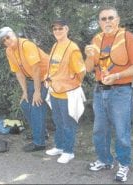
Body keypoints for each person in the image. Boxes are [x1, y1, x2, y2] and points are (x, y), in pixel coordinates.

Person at [84, 6, 133, 182]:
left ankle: (123, 164)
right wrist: (88, 56)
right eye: (103, 19)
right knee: (99, 130)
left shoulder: (127, 37)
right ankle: (104, 160)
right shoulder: (96, 39)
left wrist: (117, 75)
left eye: (111, 18)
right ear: (99, 22)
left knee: (121, 131)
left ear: (117, 20)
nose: (107, 21)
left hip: (121, 92)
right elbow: (88, 68)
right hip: (99, 91)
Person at [0, 26, 49, 152]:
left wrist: (37, 92)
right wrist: (25, 92)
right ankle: (41, 133)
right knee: (25, 104)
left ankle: (39, 143)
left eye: (8, 37)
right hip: (34, 79)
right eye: (4, 41)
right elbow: (18, 72)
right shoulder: (9, 51)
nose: (7, 41)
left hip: (49, 77)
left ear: (14, 34)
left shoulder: (26, 45)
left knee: (36, 105)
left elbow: (36, 69)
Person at [45, 19, 86, 164]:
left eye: (60, 28)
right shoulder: (55, 45)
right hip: (54, 91)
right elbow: (52, 67)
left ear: (66, 29)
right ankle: (60, 147)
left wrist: (72, 84)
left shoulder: (72, 48)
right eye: (54, 29)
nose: (57, 31)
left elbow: (81, 71)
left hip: (67, 93)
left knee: (68, 123)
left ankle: (69, 152)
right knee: (58, 121)